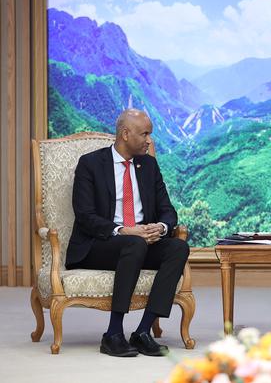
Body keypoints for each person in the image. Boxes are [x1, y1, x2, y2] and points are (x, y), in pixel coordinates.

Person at [66, 109, 190, 357]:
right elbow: (85, 216)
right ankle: (112, 334)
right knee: (133, 243)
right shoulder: (90, 164)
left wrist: (161, 228)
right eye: (145, 134)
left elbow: (168, 211)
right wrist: (125, 230)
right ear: (125, 134)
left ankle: (143, 332)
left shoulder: (149, 166)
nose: (149, 141)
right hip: (100, 245)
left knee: (178, 248)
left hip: (142, 243)